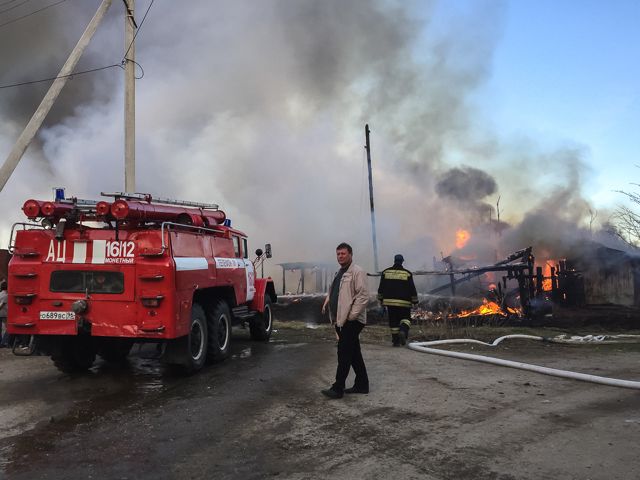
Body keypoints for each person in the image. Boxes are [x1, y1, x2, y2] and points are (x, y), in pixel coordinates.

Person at [320, 243, 369, 399]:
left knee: (344, 352)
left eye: (343, 253)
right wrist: (328, 304)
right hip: (341, 320)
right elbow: (335, 292)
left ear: (350, 254)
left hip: (352, 321)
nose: (340, 256)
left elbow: (363, 296)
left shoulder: (357, 271)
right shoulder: (340, 272)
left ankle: (338, 388)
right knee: (354, 353)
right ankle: (362, 384)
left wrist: (351, 316)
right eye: (338, 254)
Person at [377, 254, 418, 346]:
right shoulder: (407, 273)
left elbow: (381, 288)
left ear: (394, 261)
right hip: (404, 303)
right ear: (402, 261)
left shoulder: (385, 272)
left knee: (393, 321)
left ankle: (396, 342)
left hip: (390, 302)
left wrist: (380, 299)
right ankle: (403, 330)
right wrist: (415, 301)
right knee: (406, 319)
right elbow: (412, 289)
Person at [0, 279, 9, 348]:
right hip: (4, 313)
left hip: (2, 313)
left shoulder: (0, 294)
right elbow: (2, 305)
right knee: (7, 328)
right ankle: (3, 342)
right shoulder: (6, 295)